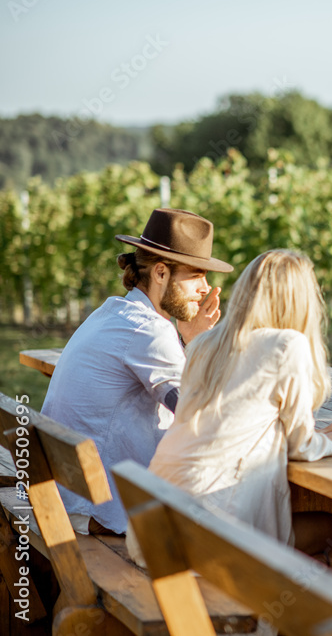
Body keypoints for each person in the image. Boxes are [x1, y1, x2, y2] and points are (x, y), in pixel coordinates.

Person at [126, 250, 332, 565]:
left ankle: (283, 605)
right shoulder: (286, 345)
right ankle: (287, 611)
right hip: (209, 537)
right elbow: (300, 445)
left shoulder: (203, 344)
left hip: (151, 530)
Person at [43, 208, 231, 535]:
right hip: (100, 512)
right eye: (196, 275)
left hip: (66, 498)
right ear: (160, 273)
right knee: (268, 528)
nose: (206, 288)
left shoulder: (113, 313)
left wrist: (188, 341)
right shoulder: (150, 332)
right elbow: (199, 414)